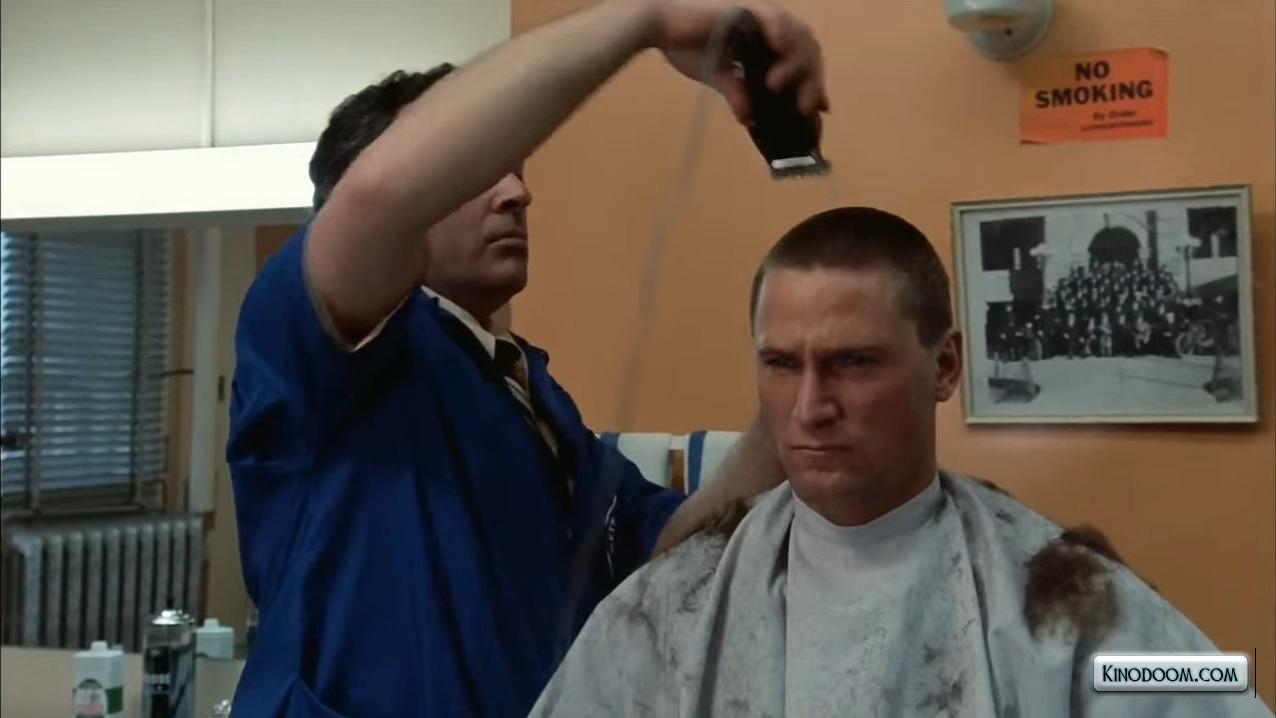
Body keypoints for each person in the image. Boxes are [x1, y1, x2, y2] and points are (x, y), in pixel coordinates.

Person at [224, 0, 825, 714]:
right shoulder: (315, 352)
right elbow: (378, 196)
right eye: (480, 173)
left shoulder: (533, 404)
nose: (518, 193)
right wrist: (649, 20)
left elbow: (669, 546)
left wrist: (798, 379)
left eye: (514, 170)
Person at [530, 207, 1271, 717]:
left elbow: (1206, 684)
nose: (810, 406)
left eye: (852, 362)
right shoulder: (669, 607)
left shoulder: (1071, 599)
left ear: (944, 366)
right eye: (782, 364)